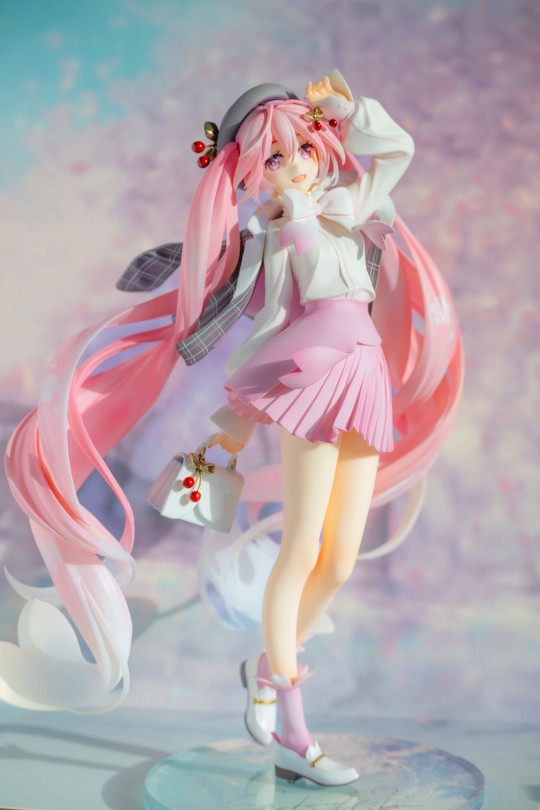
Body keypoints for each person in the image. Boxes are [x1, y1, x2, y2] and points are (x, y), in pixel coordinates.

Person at [1, 71, 463, 787]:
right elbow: (301, 294)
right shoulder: (271, 236)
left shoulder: (352, 201)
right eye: (274, 157)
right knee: (301, 548)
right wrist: (293, 214)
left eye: (304, 146)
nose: (295, 164)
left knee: (340, 560)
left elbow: (397, 149)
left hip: (364, 377)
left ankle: (268, 667)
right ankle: (293, 733)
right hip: (312, 382)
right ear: (249, 171)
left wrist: (347, 111)